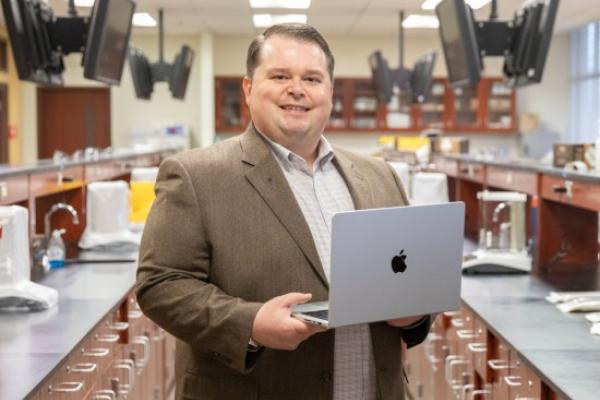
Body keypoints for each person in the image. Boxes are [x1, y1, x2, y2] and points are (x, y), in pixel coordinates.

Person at [136, 23, 432, 400]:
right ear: (248, 89)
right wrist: (250, 323)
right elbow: (161, 284)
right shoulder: (196, 175)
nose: (297, 89)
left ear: (330, 92)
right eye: (280, 76)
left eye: (312, 78)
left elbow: (407, 277)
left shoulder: (380, 176)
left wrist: (415, 314)